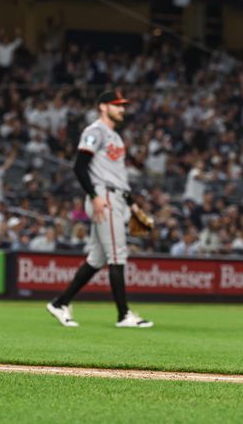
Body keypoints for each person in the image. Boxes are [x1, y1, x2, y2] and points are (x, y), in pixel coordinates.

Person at [46, 90, 153, 329]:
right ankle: (123, 315)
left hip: (115, 195)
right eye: (117, 105)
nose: (122, 109)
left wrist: (132, 202)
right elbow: (79, 166)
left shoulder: (114, 136)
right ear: (103, 106)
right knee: (117, 254)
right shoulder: (95, 131)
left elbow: (118, 176)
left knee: (97, 258)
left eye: (123, 105)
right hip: (103, 197)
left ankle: (60, 303)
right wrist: (94, 196)